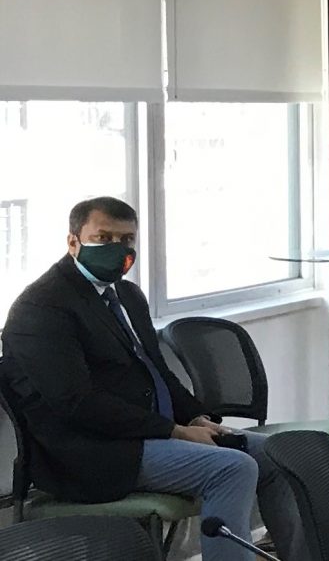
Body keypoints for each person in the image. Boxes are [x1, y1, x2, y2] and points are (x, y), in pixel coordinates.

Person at [0, 197, 268, 561]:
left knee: (275, 453)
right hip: (93, 453)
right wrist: (173, 431)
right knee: (232, 468)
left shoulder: (126, 294)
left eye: (126, 239)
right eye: (103, 238)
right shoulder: (42, 307)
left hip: (147, 433)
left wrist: (194, 418)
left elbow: (156, 370)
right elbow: (76, 403)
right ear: (73, 242)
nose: (117, 248)